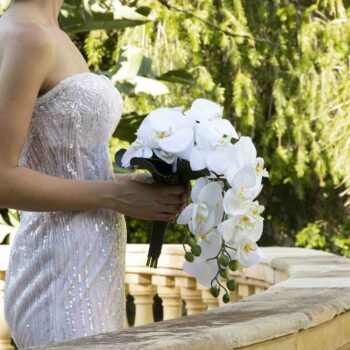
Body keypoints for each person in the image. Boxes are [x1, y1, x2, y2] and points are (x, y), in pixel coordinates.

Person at [0, 1, 187, 348]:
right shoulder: (26, 35)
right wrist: (114, 196)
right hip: (58, 272)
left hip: (93, 266)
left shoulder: (52, 32)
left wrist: (125, 185)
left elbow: (58, 166)